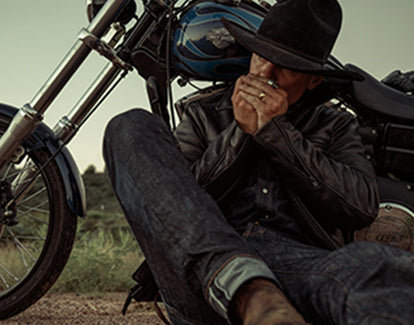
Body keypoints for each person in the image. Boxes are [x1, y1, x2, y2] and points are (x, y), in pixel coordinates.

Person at [103, 0, 414, 324]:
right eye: (261, 56)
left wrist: (276, 133)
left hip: (303, 271)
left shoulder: (334, 125)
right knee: (129, 127)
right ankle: (247, 291)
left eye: (285, 66)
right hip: (203, 277)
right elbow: (178, 205)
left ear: (313, 80)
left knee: (376, 264)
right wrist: (241, 131)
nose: (265, 73)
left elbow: (360, 206)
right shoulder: (202, 114)